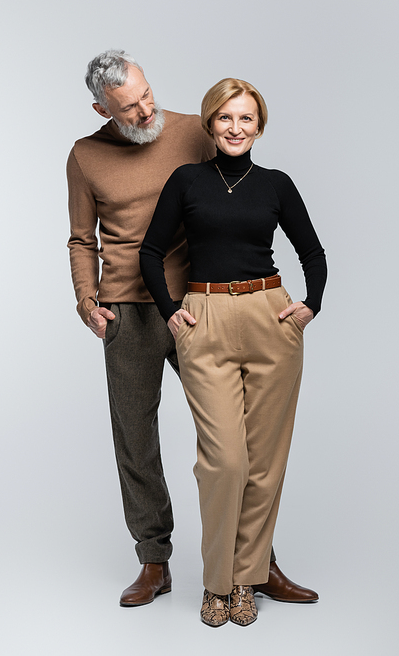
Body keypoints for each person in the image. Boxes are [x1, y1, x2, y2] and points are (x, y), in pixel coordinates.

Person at [67, 52, 316, 608]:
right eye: (129, 107)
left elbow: (236, 181)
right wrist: (87, 299)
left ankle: (256, 560)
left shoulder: (191, 132)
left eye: (148, 94)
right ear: (101, 107)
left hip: (199, 304)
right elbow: (82, 237)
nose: (145, 109)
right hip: (126, 308)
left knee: (237, 442)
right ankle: (154, 559)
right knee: (134, 435)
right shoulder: (85, 156)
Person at [140, 78, 327, 626]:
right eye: (225, 118)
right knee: (225, 462)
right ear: (209, 122)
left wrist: (310, 304)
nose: (235, 128)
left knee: (265, 466)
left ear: (259, 126)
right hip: (208, 317)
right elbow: (152, 251)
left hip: (270, 316)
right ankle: (215, 582)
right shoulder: (186, 179)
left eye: (246, 119)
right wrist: (172, 309)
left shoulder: (276, 184)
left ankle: (246, 581)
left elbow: (312, 252)